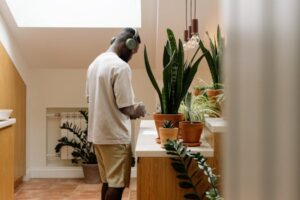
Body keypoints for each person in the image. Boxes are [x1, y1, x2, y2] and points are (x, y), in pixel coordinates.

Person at [85, 28, 146, 200]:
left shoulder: (94, 64)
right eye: (133, 52)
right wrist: (138, 109)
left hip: (98, 135)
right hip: (115, 136)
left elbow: (90, 99)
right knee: (117, 186)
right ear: (128, 44)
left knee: (107, 182)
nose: (131, 56)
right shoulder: (121, 67)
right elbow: (126, 108)